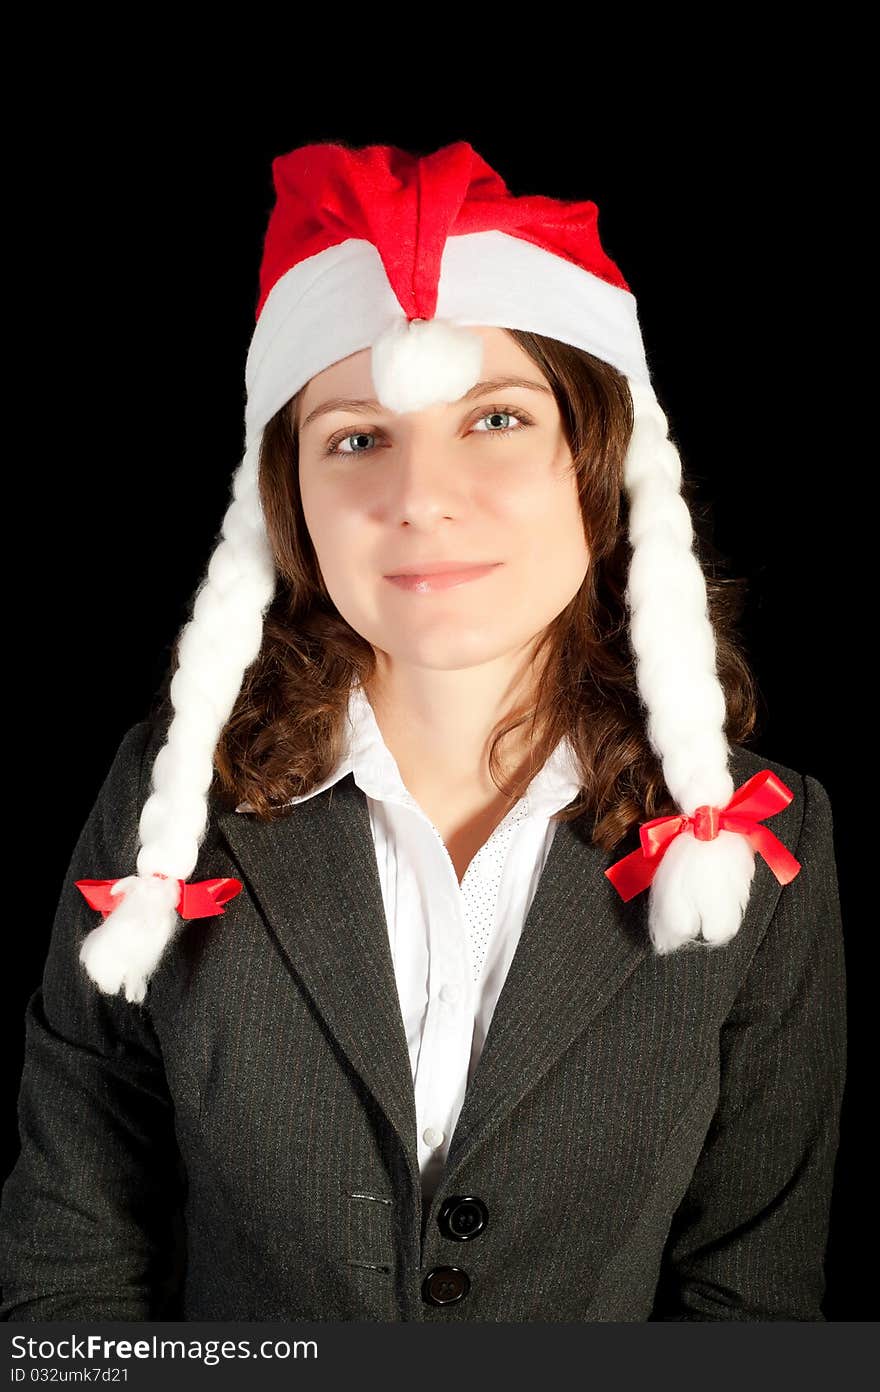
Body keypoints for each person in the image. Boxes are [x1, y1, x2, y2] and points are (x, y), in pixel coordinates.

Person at [0, 139, 846, 1322]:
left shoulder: (767, 839)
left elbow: (752, 1303)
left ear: (598, 466)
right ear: (290, 503)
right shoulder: (166, 807)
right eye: (355, 437)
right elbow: (69, 1259)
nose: (419, 495)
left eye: (496, 418)